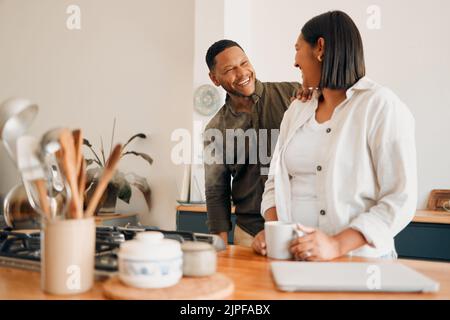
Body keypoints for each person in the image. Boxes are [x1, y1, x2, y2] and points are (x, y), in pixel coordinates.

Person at [253, 11, 417, 260]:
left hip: (361, 261)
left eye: (297, 49)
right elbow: (275, 182)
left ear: (320, 47)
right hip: (296, 258)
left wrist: (336, 245)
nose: (294, 62)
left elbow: (400, 198)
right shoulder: (296, 110)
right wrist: (274, 230)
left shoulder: (380, 106)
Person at [203, 40, 313, 246]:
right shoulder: (214, 129)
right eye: (229, 69)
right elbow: (216, 190)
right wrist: (221, 246)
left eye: (244, 63)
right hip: (249, 232)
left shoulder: (294, 94)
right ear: (214, 79)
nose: (242, 73)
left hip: (299, 227)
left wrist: (313, 96)